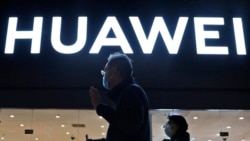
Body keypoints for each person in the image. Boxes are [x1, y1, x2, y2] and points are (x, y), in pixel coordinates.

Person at [89, 52, 151, 141]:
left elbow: (129, 125)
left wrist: (100, 107)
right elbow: (121, 134)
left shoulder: (132, 91)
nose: (104, 76)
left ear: (113, 71)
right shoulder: (127, 93)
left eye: (104, 71)